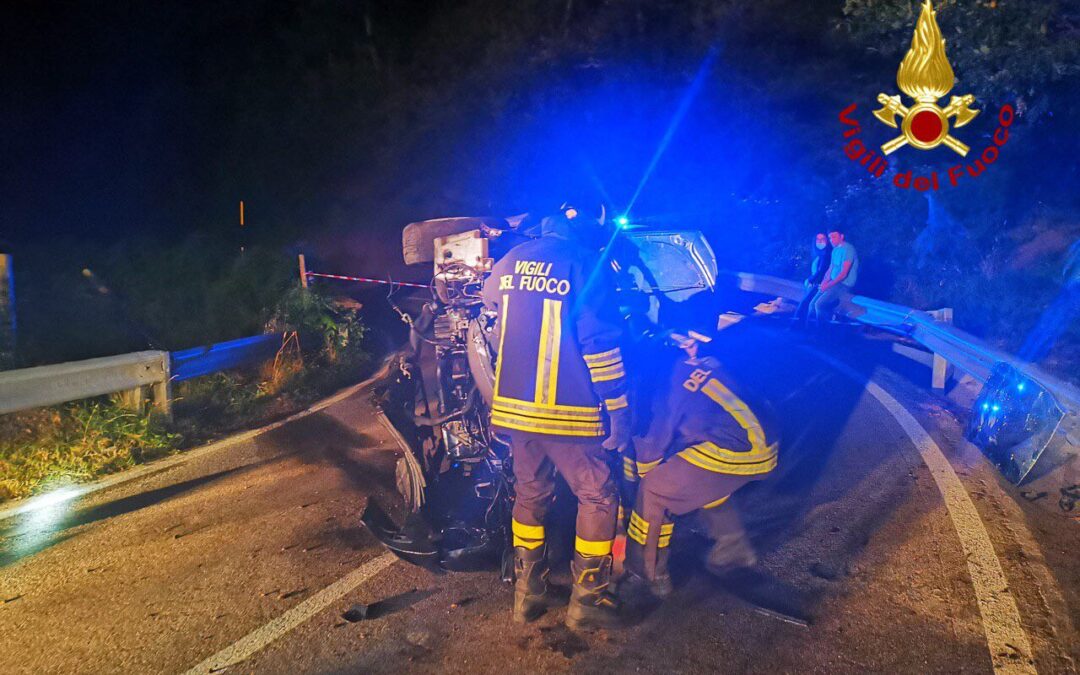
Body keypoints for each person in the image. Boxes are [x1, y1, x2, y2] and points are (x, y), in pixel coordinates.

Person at [481, 202, 632, 630]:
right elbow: (600, 344)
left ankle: (526, 595)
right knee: (598, 496)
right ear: (581, 230)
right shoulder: (584, 262)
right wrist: (618, 409)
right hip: (569, 413)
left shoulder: (509, 261)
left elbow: (491, 313)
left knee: (530, 495)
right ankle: (589, 600)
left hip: (514, 411)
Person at [619, 329, 779, 603]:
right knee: (697, 479)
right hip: (763, 440)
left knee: (655, 490)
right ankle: (733, 547)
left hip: (736, 447)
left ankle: (647, 573)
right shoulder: (684, 365)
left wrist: (628, 503)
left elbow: (649, 455)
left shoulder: (657, 387)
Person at [808, 227, 859, 329]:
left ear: (841, 236)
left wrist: (827, 286)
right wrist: (824, 283)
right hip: (832, 282)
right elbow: (830, 270)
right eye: (830, 237)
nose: (832, 240)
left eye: (834, 236)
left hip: (843, 284)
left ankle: (822, 333)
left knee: (819, 305)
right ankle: (808, 331)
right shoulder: (835, 250)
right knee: (812, 305)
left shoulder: (848, 249)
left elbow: (844, 274)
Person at [791, 233, 831, 329]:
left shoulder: (826, 255)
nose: (820, 241)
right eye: (818, 239)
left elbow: (821, 271)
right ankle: (800, 327)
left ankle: (796, 327)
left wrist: (811, 280)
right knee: (807, 304)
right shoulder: (820, 254)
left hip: (820, 285)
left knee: (805, 304)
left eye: (823, 239)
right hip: (816, 284)